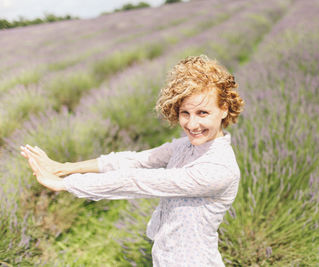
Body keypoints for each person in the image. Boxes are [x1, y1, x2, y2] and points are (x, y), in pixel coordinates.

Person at [20, 55, 244, 266]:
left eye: (202, 113)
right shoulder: (186, 146)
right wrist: (64, 168)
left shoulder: (219, 168)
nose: (191, 124)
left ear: (224, 109)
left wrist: (67, 184)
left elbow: (138, 180)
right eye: (185, 113)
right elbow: (136, 161)